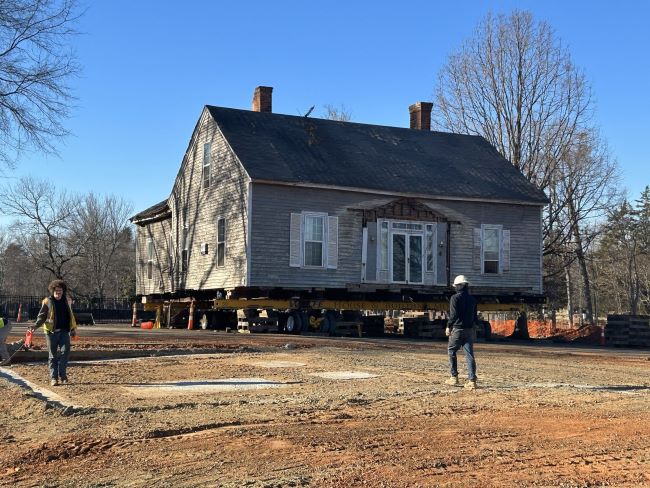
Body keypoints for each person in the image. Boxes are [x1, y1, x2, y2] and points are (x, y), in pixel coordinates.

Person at [30, 280, 78, 386]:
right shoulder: (47, 301)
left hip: (64, 331)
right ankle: (54, 378)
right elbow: (42, 316)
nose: (58, 292)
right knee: (52, 356)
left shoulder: (67, 300)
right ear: (52, 291)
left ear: (63, 291)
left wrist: (73, 329)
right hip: (51, 332)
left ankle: (63, 376)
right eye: (56, 291)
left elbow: (70, 316)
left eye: (60, 290)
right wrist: (35, 326)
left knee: (65, 352)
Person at [445, 275, 479, 389]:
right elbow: (475, 316)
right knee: (469, 355)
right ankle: (472, 381)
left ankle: (454, 377)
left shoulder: (455, 298)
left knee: (451, 351)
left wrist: (448, 326)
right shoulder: (473, 299)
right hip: (469, 330)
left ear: (459, 286)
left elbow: (454, 315)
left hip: (458, 329)